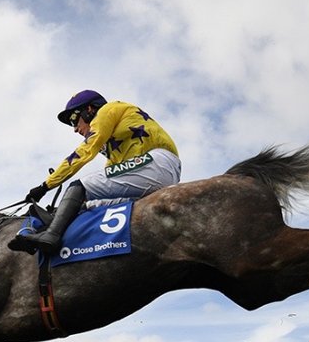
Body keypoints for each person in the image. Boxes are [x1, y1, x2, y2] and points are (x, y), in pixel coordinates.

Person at [10, 90, 181, 255]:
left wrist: (45, 186)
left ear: (89, 110)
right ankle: (55, 225)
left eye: (73, 120)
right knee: (87, 205)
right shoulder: (114, 146)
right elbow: (110, 174)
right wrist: (65, 208)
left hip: (156, 163)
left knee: (79, 185)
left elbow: (84, 152)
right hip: (155, 175)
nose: (75, 129)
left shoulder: (107, 110)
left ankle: (52, 235)